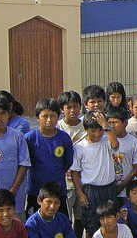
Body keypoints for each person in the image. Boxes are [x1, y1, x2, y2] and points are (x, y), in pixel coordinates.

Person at [71, 111, 120, 237]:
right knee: (91, 225)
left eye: (100, 130)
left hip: (109, 189)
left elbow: (115, 145)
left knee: (112, 224)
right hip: (91, 191)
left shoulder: (106, 140)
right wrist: (80, 194)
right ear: (86, 129)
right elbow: (75, 173)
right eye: (93, 131)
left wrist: (106, 126)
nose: (97, 134)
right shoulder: (80, 147)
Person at [24, 98, 74, 218]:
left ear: (58, 117)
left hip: (58, 192)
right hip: (35, 191)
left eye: (53, 116)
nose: (49, 120)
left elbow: (67, 162)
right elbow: (24, 164)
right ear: (37, 117)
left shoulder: (64, 138)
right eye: (44, 116)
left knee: (61, 225)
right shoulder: (29, 139)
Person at [57, 90, 88, 236]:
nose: (72, 110)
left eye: (75, 106)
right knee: (65, 217)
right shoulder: (57, 127)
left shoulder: (86, 125)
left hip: (84, 180)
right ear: (62, 109)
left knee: (81, 217)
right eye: (68, 107)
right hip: (65, 182)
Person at [108, 107, 137, 203]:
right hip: (109, 188)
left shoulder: (133, 142)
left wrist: (122, 185)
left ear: (125, 122)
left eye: (115, 122)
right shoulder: (105, 140)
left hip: (128, 190)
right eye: (110, 123)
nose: (112, 126)